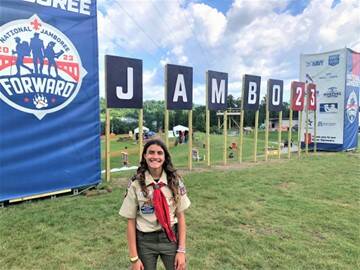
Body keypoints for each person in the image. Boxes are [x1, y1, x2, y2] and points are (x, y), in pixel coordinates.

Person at [119, 139, 190, 270]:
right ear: (145, 156)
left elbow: (180, 216)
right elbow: (131, 221)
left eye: (159, 153)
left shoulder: (175, 181)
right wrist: (134, 258)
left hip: (169, 238)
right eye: (151, 152)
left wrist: (181, 250)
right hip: (145, 241)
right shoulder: (135, 183)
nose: (155, 156)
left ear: (165, 157)